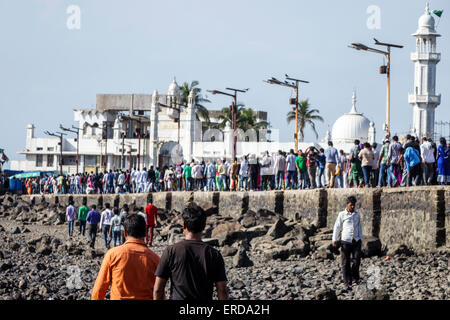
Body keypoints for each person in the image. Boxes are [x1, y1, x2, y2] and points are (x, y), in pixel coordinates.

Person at [153, 202, 228, 300]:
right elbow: (222, 289)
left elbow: (158, 289)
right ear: (204, 226)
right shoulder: (214, 254)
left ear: (184, 225)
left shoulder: (171, 251)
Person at [91, 214, 160, 300]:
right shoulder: (155, 259)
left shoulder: (113, 254)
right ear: (145, 233)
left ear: (125, 233)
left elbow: (99, 289)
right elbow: (159, 292)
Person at [332, 196, 363, 290]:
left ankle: (355, 278)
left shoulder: (357, 214)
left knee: (356, 260)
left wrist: (360, 238)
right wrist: (334, 239)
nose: (352, 207)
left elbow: (359, 227)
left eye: (354, 205)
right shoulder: (342, 214)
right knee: (345, 262)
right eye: (351, 205)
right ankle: (347, 281)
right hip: (345, 240)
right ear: (347, 204)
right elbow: (337, 227)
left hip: (356, 240)